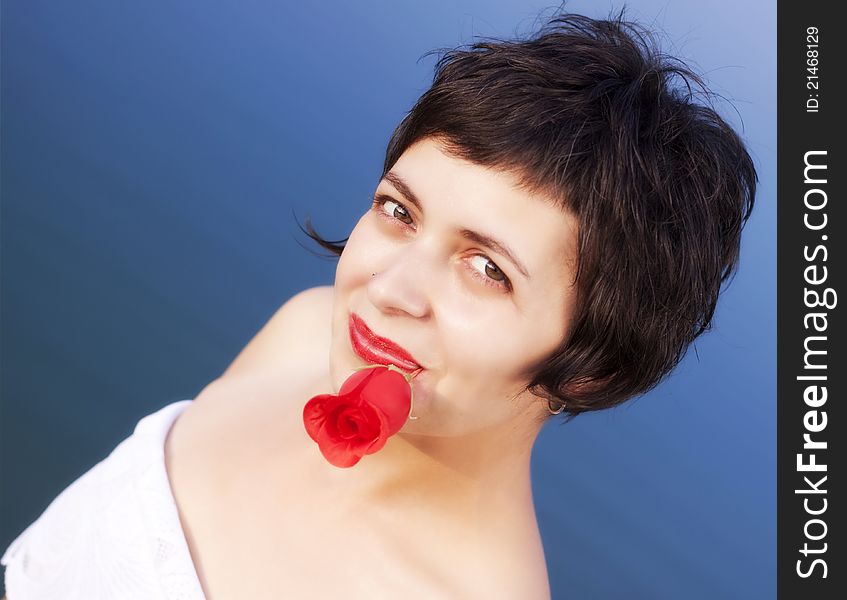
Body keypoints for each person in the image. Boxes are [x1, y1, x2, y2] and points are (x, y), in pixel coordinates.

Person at [1, 10, 755, 600]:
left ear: (589, 370)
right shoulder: (304, 334)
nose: (388, 291)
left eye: (486, 269)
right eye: (399, 211)